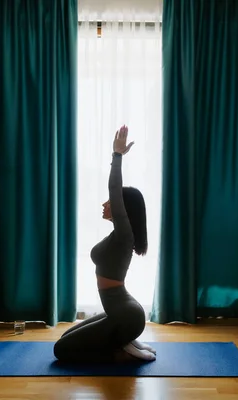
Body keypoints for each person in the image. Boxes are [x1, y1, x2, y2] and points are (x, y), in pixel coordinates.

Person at [53, 125, 156, 363]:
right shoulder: (119, 236)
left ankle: (121, 345)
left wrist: (116, 156)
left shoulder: (124, 235)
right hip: (121, 310)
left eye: (110, 202)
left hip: (126, 315)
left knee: (61, 351)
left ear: (122, 208)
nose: (104, 204)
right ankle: (123, 341)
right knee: (66, 336)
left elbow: (114, 189)